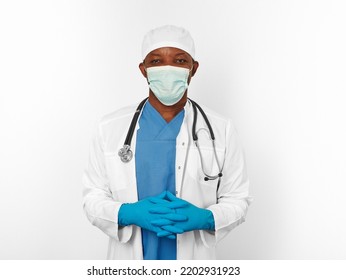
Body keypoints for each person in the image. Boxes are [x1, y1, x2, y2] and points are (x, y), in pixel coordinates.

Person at [83, 25, 252, 260]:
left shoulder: (221, 129)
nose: (168, 69)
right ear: (143, 70)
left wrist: (207, 218)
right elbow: (92, 197)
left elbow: (238, 198)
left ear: (193, 69)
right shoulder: (110, 127)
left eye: (180, 60)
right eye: (156, 61)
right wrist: (126, 213)